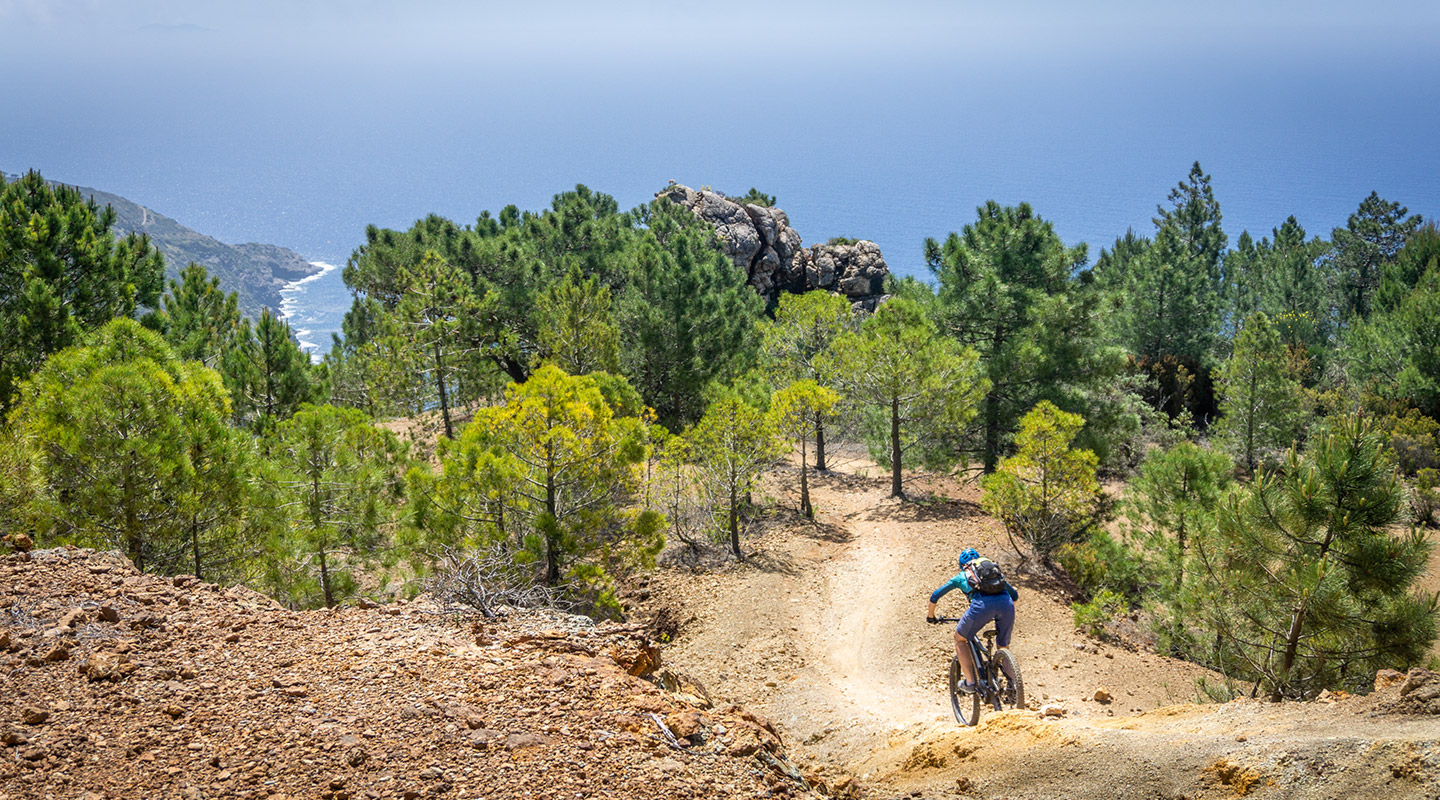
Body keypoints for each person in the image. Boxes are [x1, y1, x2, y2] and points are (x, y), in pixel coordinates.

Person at [926, 548, 1019, 694]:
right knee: (1003, 646)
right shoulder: (992, 573)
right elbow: (1014, 596)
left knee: (959, 638)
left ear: (962, 565)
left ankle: (970, 682)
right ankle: (1014, 688)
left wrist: (931, 617)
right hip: (1006, 604)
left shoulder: (962, 576)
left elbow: (935, 596)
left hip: (982, 606)